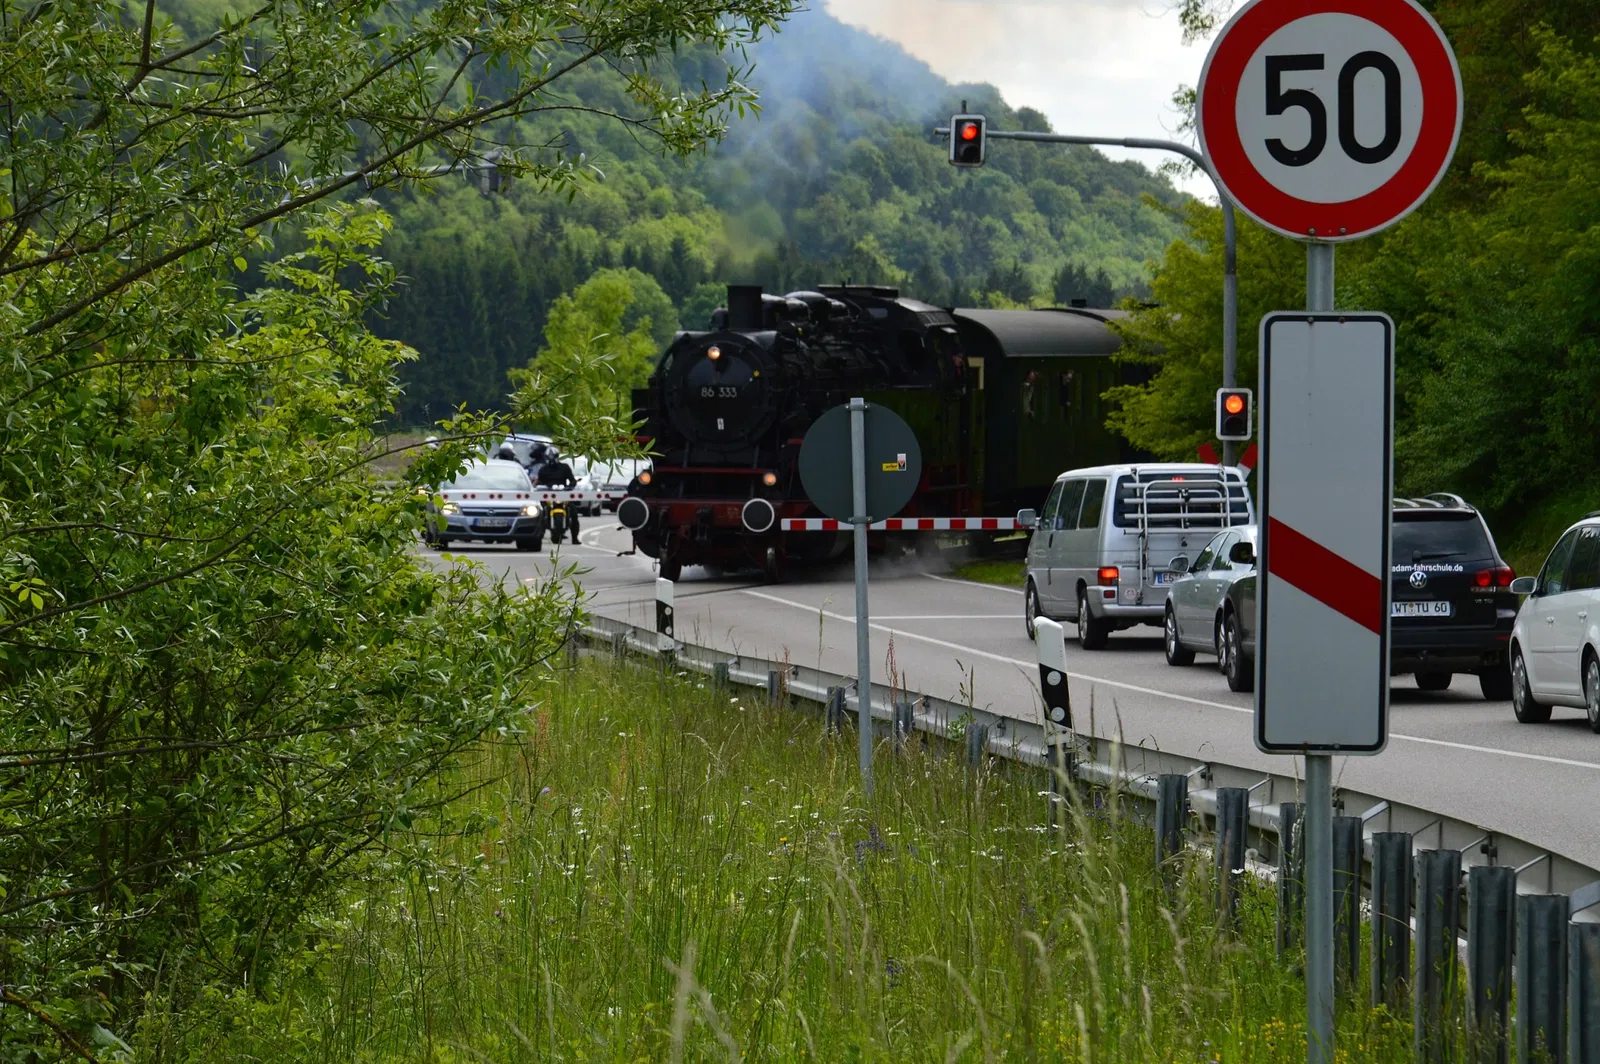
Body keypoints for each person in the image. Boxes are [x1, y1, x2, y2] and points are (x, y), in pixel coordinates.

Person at [537, 453, 580, 543]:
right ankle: (539, 535)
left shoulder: (564, 467)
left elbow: (572, 479)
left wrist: (570, 486)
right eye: (550, 457)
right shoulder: (543, 469)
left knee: (574, 513)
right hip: (548, 494)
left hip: (563, 494)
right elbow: (539, 482)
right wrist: (542, 487)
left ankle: (575, 538)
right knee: (539, 512)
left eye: (554, 457)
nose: (552, 459)